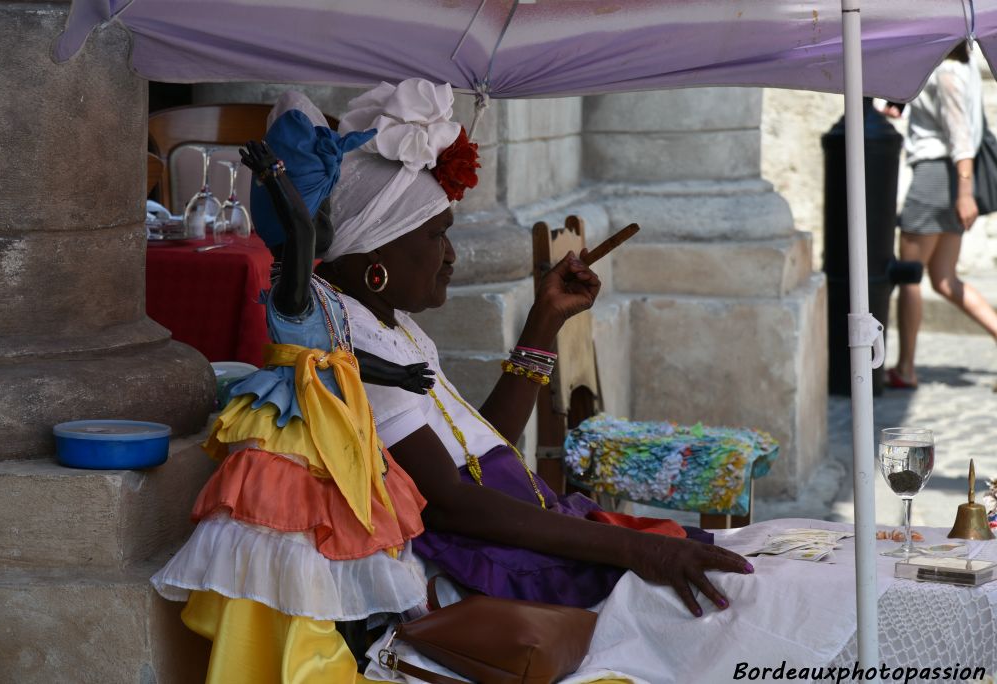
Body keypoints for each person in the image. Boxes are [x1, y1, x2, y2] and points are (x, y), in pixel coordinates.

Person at [285, 77, 754, 623]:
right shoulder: (355, 348)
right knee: (733, 601)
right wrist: (636, 550)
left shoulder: (390, 325)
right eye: (437, 236)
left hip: (527, 524)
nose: (453, 255)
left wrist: (544, 319)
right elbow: (450, 500)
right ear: (375, 259)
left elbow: (481, 447)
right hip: (487, 558)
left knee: (753, 567)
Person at [150, 92, 439, 683]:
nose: (326, 228)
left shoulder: (327, 297)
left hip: (334, 415)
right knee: (290, 534)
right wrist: (278, 179)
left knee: (335, 529)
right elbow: (303, 235)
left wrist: (398, 374)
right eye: (318, 217)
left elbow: (342, 356)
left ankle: (331, 637)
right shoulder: (292, 287)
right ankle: (288, 649)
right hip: (295, 425)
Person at [888, 41, 997, 389]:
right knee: (945, 279)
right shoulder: (963, 66)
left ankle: (905, 368)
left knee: (910, 275)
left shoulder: (946, 70)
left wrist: (965, 194)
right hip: (949, 179)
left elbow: (960, 136)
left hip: (937, 177)